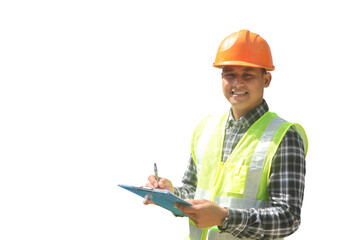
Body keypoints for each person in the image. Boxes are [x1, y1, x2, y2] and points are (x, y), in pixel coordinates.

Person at [144, 29, 308, 240]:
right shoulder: (206, 129)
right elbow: (194, 192)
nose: (237, 83)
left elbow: (288, 218)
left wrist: (224, 218)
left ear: (266, 80)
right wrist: (170, 194)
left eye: (247, 74)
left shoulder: (284, 137)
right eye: (230, 74)